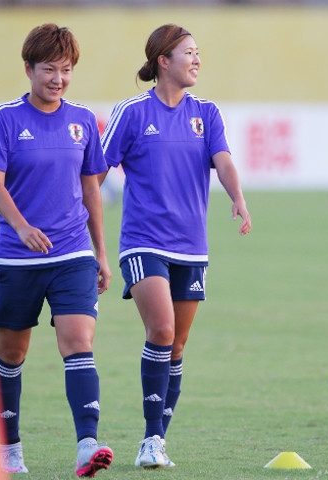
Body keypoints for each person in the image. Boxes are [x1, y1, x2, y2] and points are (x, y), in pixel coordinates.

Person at [100, 23, 252, 468]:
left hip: (192, 246)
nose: (197, 59)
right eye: (189, 52)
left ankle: (158, 441)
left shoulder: (207, 112)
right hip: (143, 241)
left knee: (178, 346)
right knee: (162, 331)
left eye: (199, 52)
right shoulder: (132, 112)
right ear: (163, 61)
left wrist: (238, 198)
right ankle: (149, 439)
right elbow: (96, 169)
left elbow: (222, 159)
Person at [0, 23, 113, 478]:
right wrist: (22, 226)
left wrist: (101, 254)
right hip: (16, 256)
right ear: (29, 69)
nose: (58, 78)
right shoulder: (6, 119)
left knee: (79, 341)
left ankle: (87, 445)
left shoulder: (82, 121)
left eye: (66, 70)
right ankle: (9, 449)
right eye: (49, 69)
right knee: (12, 354)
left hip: (72, 253)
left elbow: (92, 190)